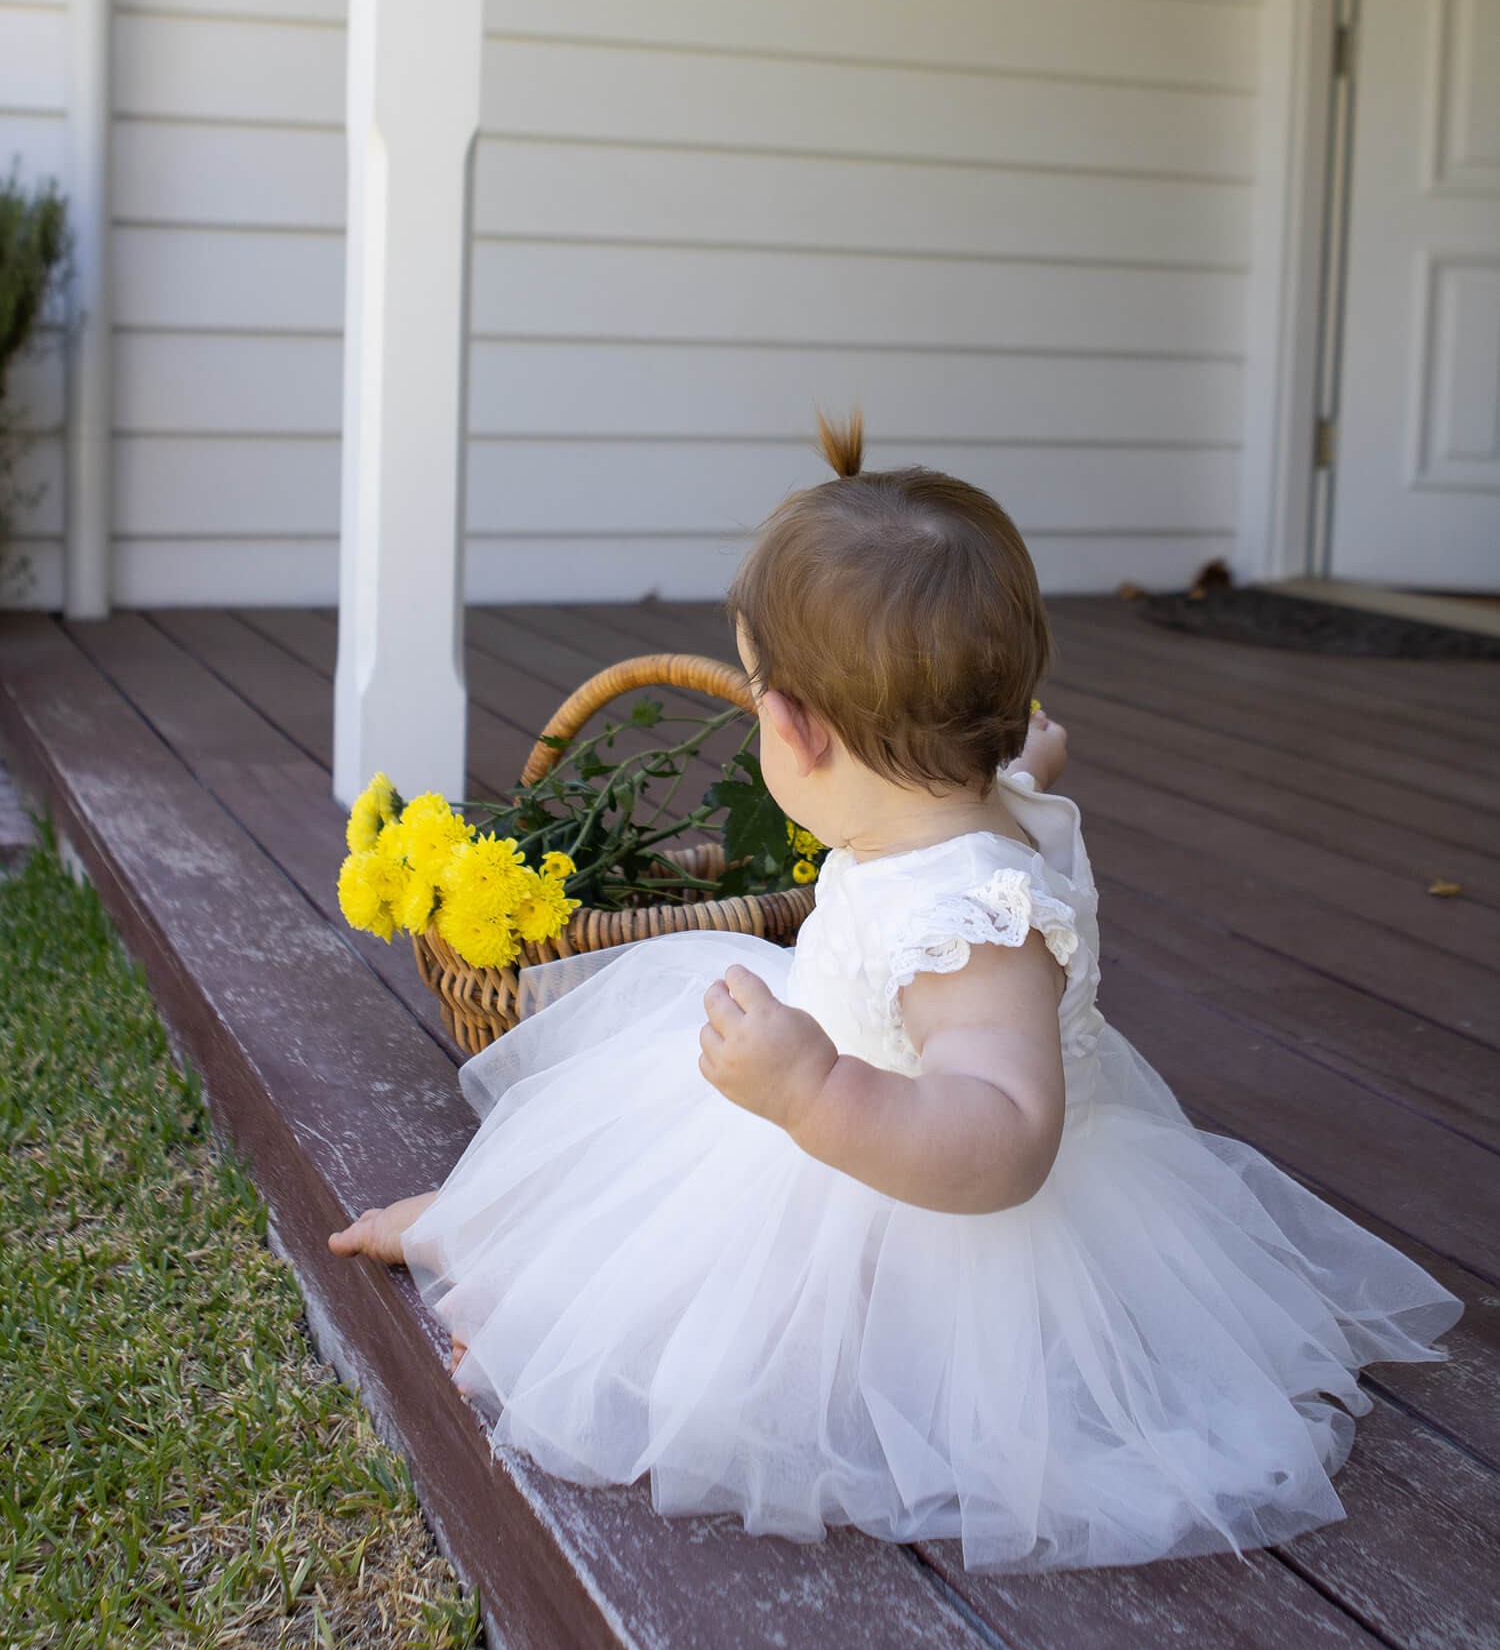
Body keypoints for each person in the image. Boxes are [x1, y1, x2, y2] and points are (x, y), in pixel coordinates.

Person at [330, 415, 1461, 1572]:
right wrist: (1026, 767)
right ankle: (501, 1241)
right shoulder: (969, 792)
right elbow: (1014, 780)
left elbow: (1008, 1138)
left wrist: (816, 1088)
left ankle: (574, 1330)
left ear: (789, 726)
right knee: (651, 1160)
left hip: (921, 1196)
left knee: (752, 1313)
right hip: (845, 1083)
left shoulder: (963, 930)